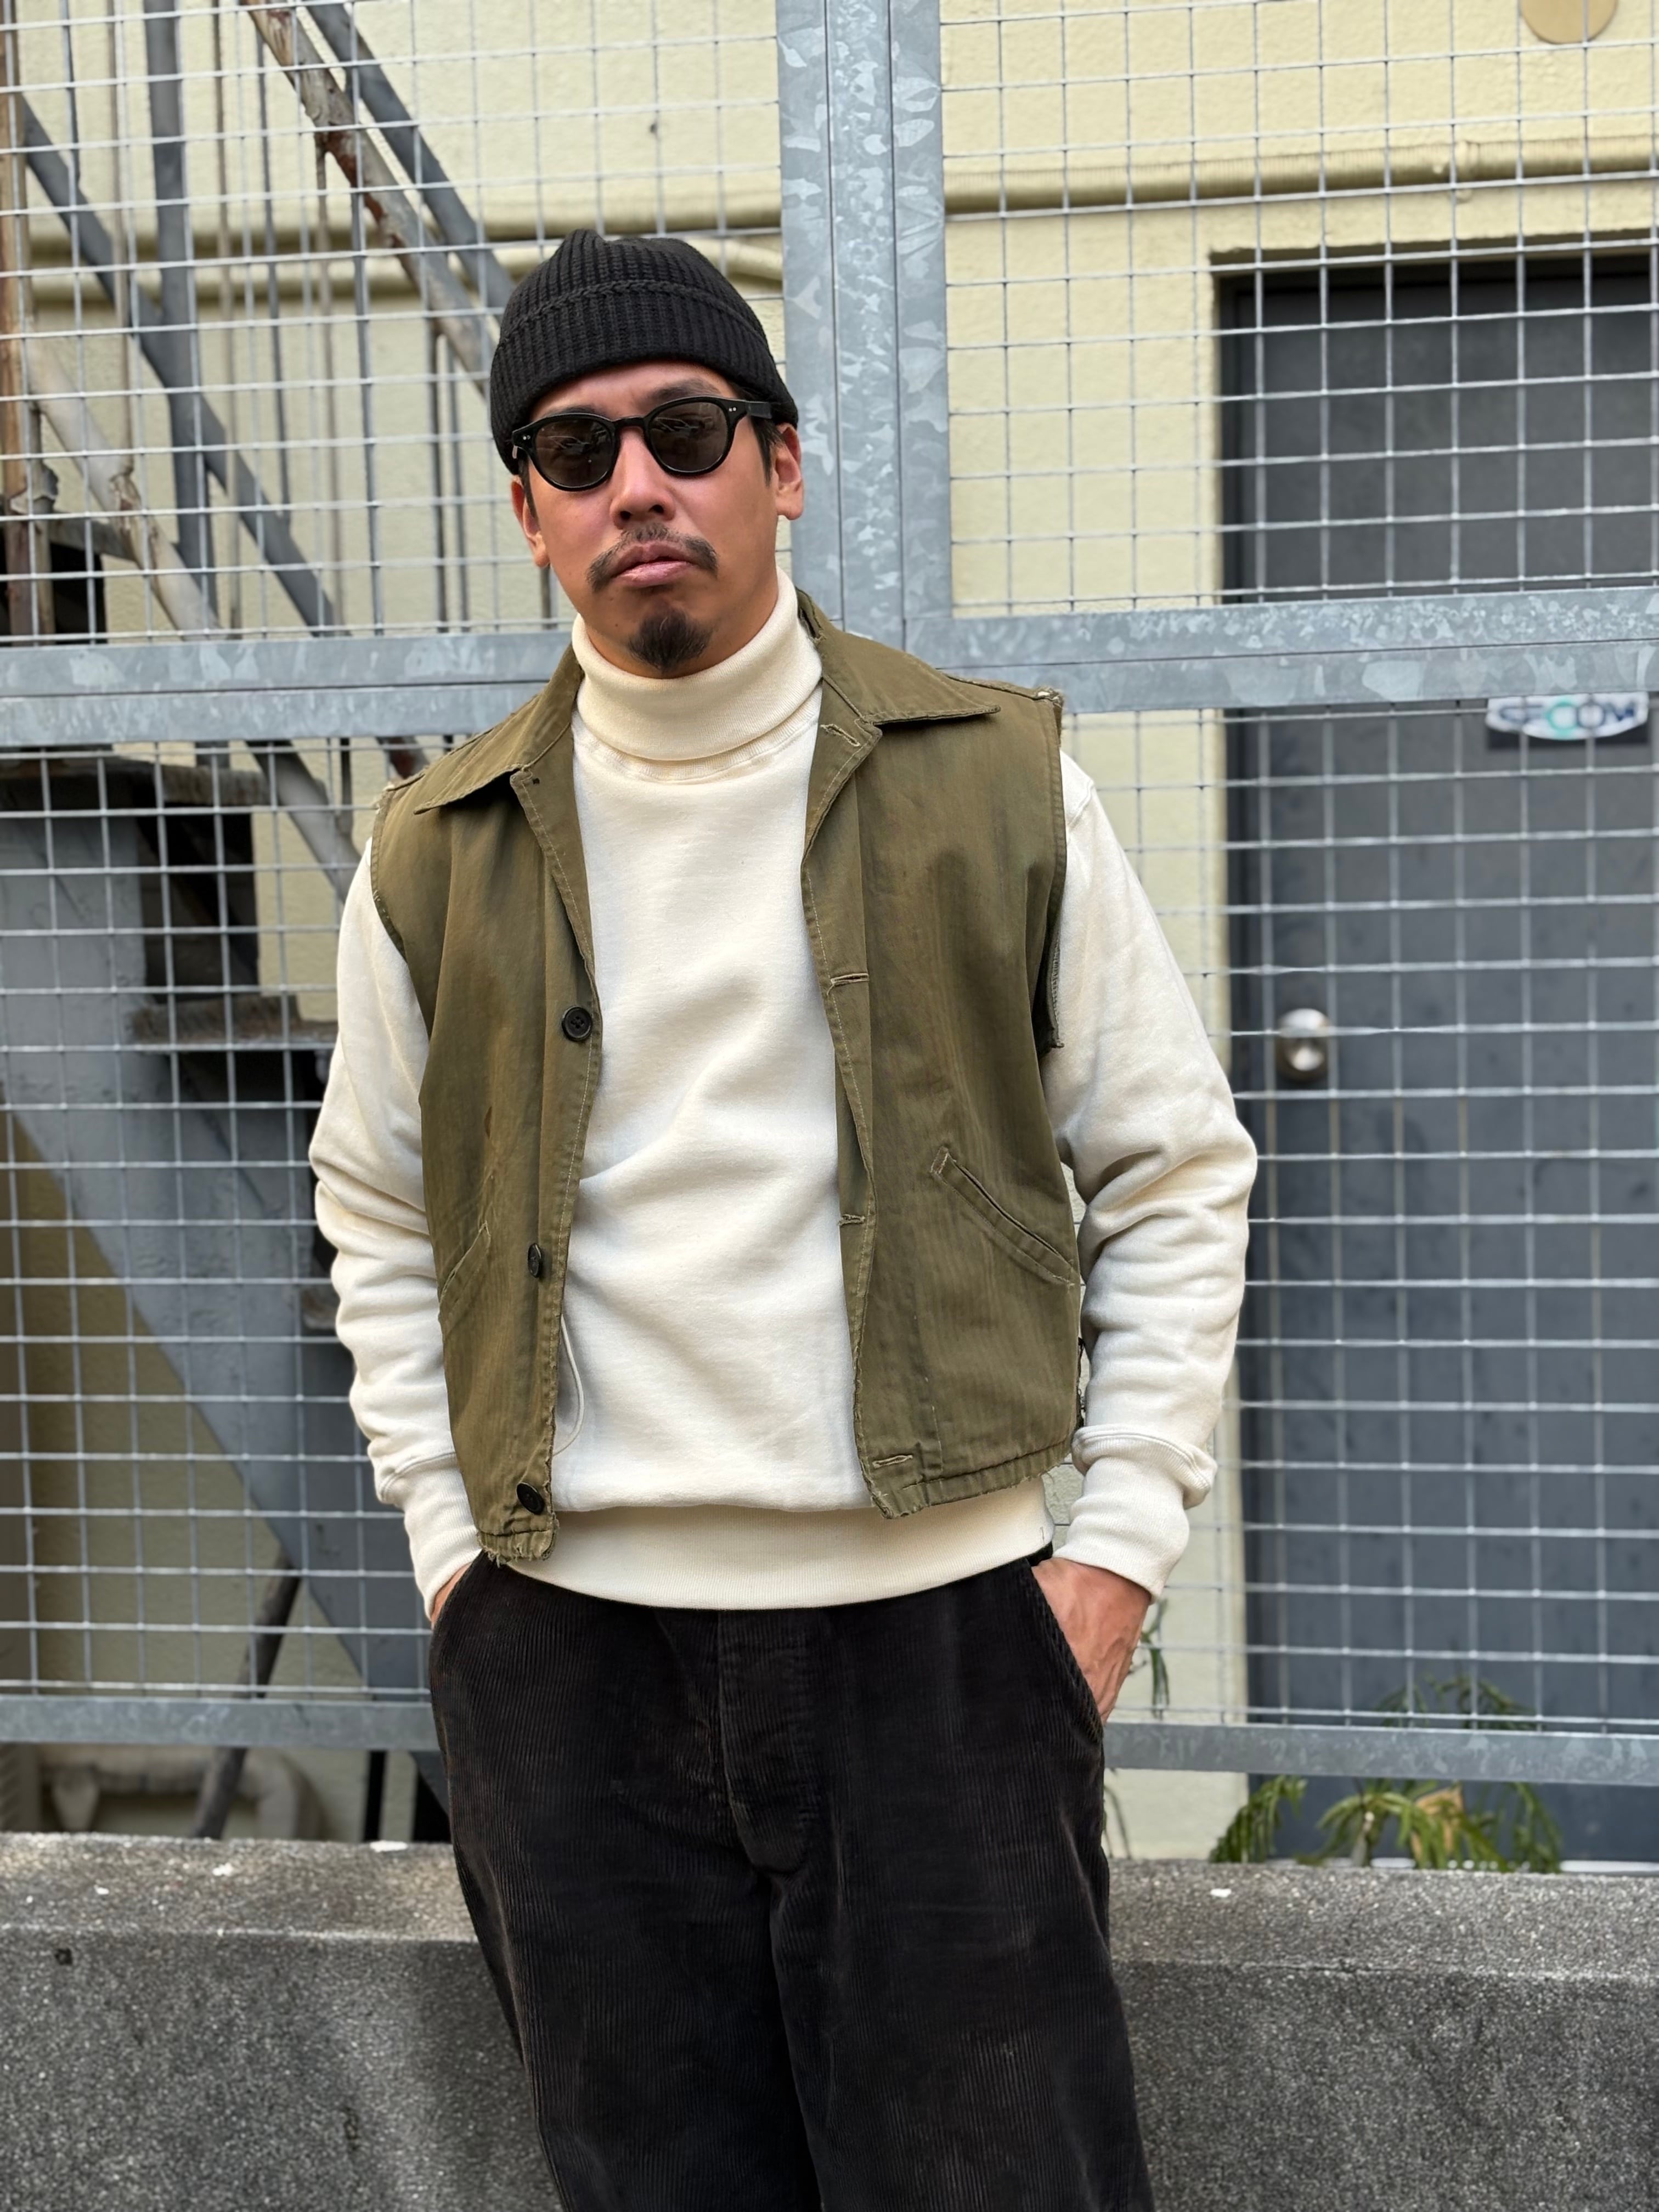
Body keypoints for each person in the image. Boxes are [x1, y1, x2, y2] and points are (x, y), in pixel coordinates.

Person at [309, 228, 1256, 2211]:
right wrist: (450, 1560)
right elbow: (376, 1217)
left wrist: (1110, 1563)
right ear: (530, 514)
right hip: (568, 1670)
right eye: (577, 452)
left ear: (784, 463)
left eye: (687, 429)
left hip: (940, 1652)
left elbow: (1175, 1174)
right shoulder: (438, 856)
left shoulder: (994, 788)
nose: (637, 485)